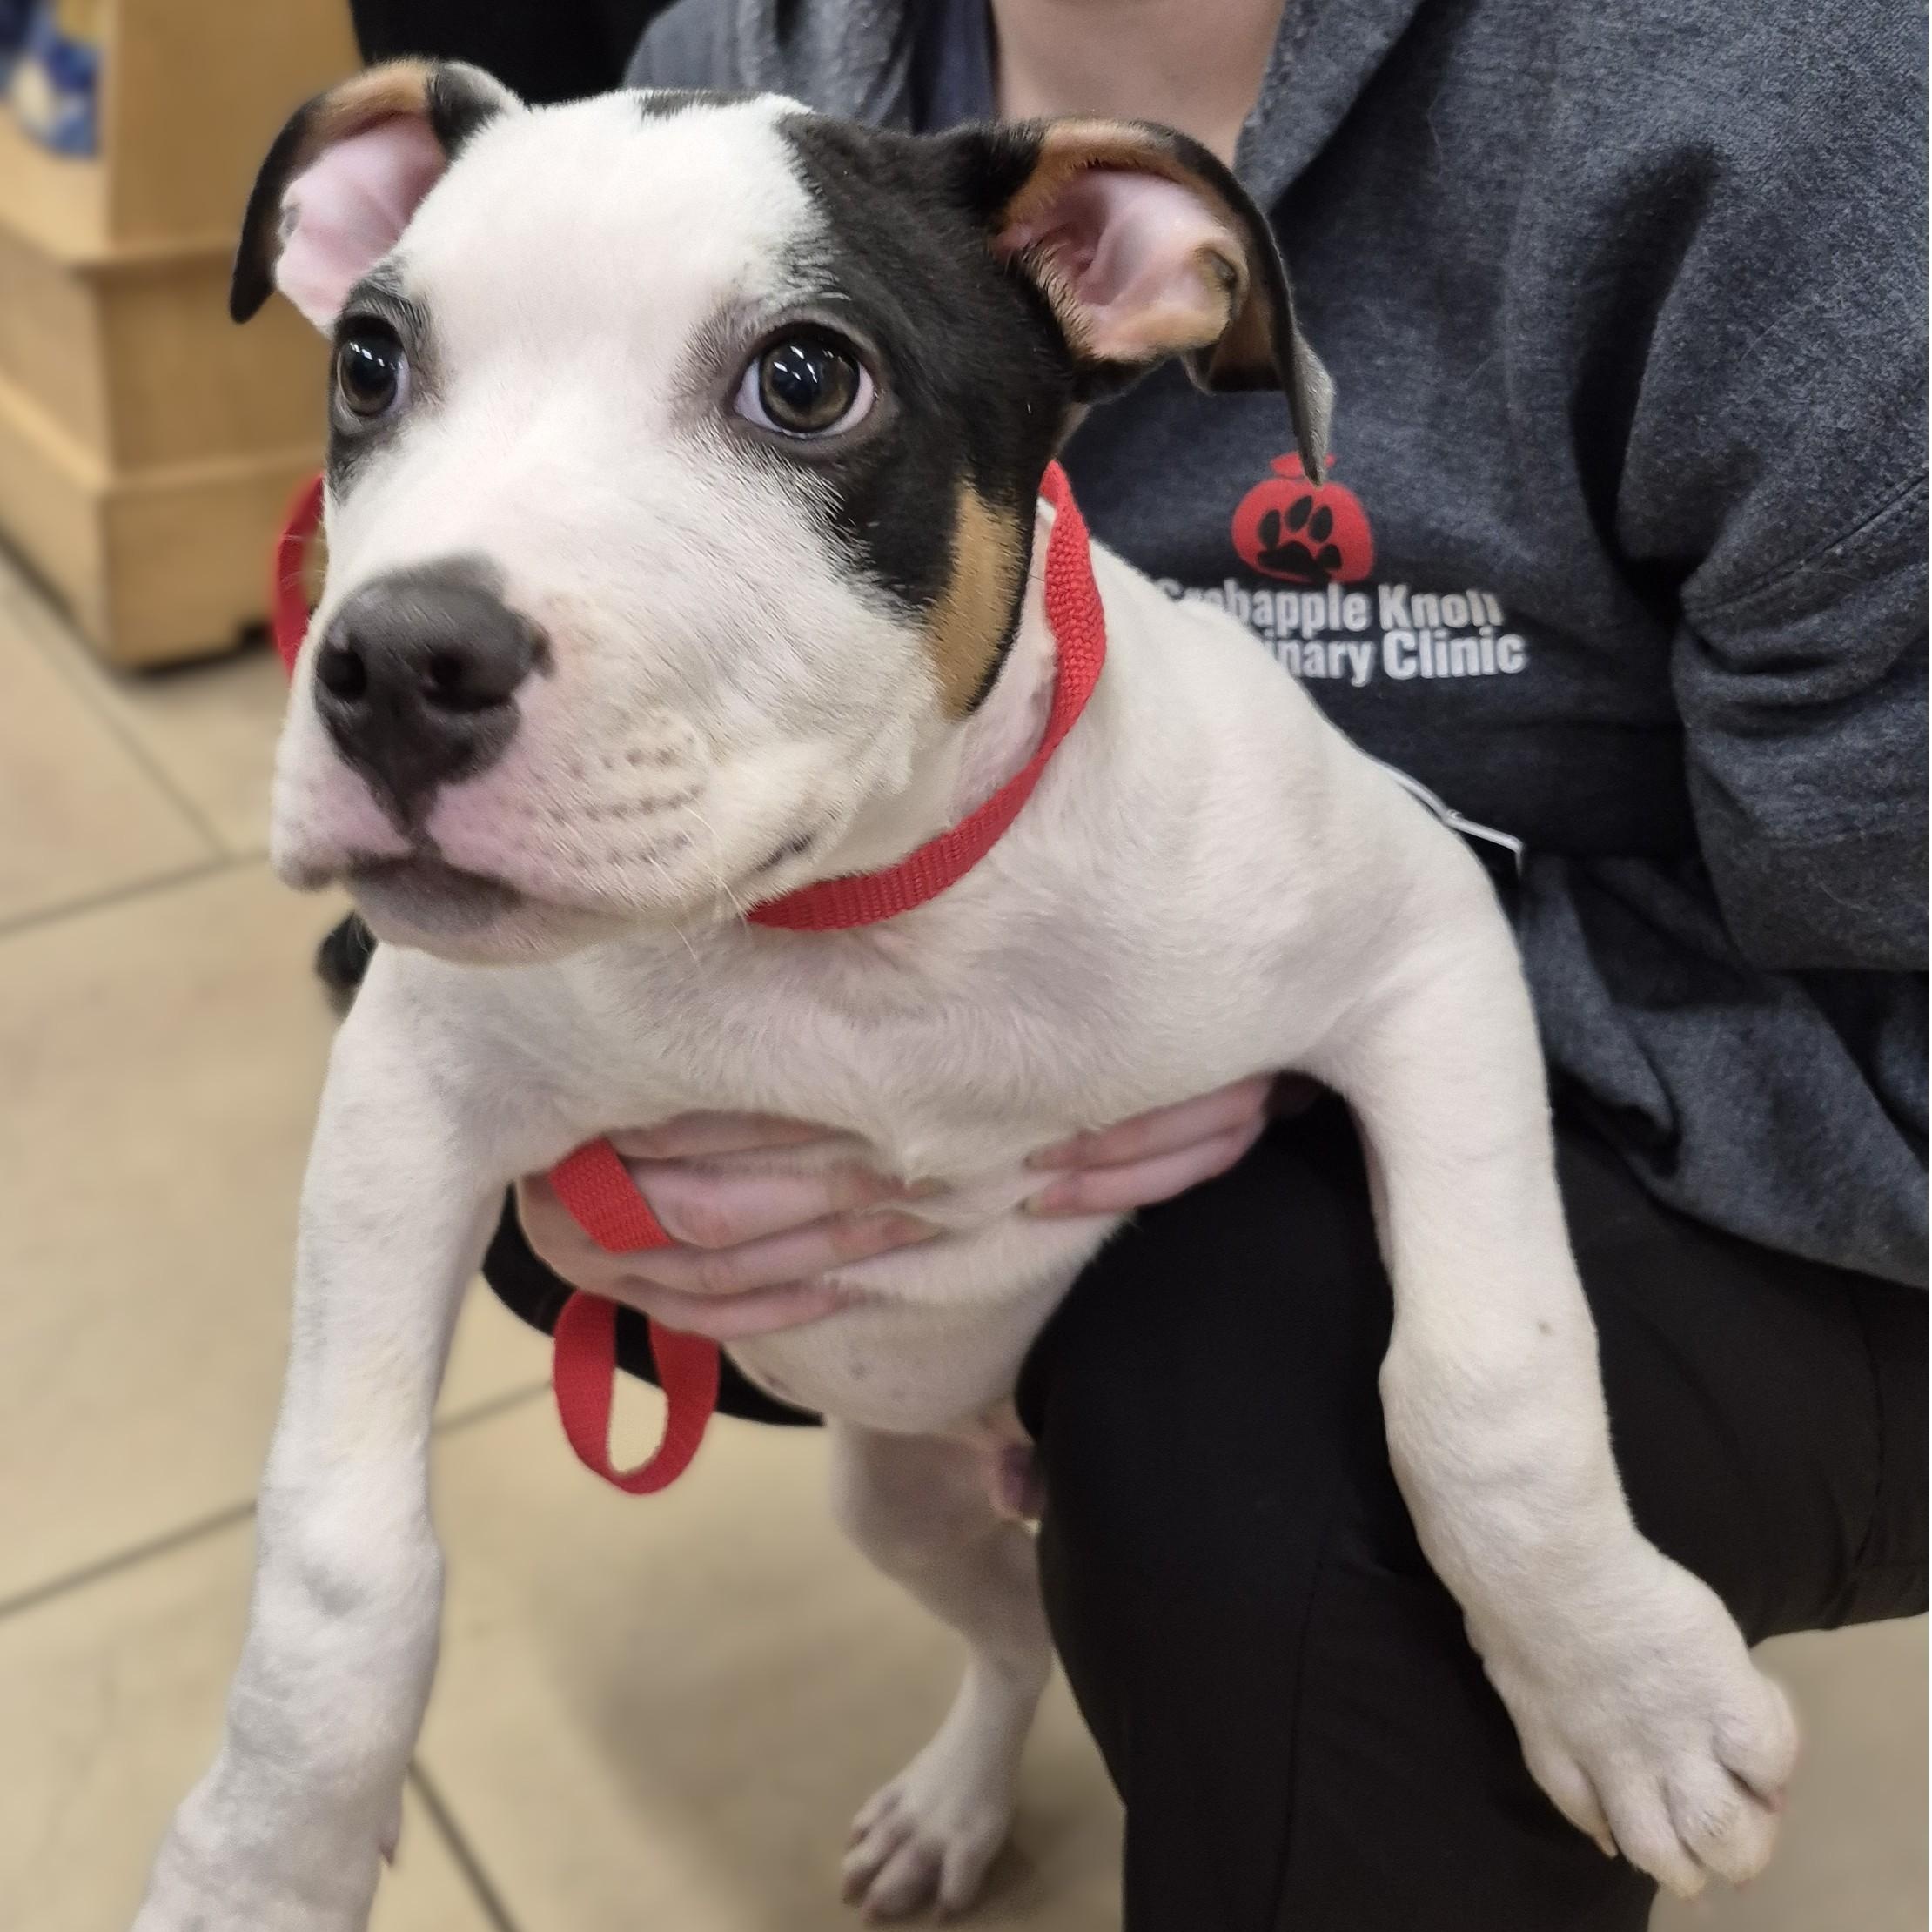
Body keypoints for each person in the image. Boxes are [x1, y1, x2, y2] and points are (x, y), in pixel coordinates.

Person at [342, 1, 1927, 1925]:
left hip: (1803, 1144)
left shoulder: (1798, 102)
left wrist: (1193, 1023)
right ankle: (1000, 1678)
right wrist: (583, 1176)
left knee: (1242, 1420)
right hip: (1017, 1080)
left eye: (797, 383)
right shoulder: (728, 64)